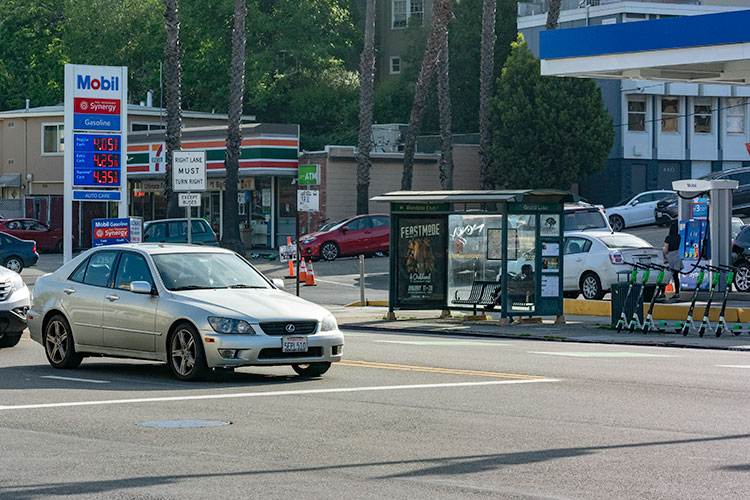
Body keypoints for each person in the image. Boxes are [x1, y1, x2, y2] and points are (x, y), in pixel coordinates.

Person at [663, 222, 682, 299]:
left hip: (670, 257)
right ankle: (677, 292)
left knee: (666, 275)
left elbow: (666, 250)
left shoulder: (668, 238)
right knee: (676, 276)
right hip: (677, 256)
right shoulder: (678, 237)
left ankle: (663, 293)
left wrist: (664, 256)